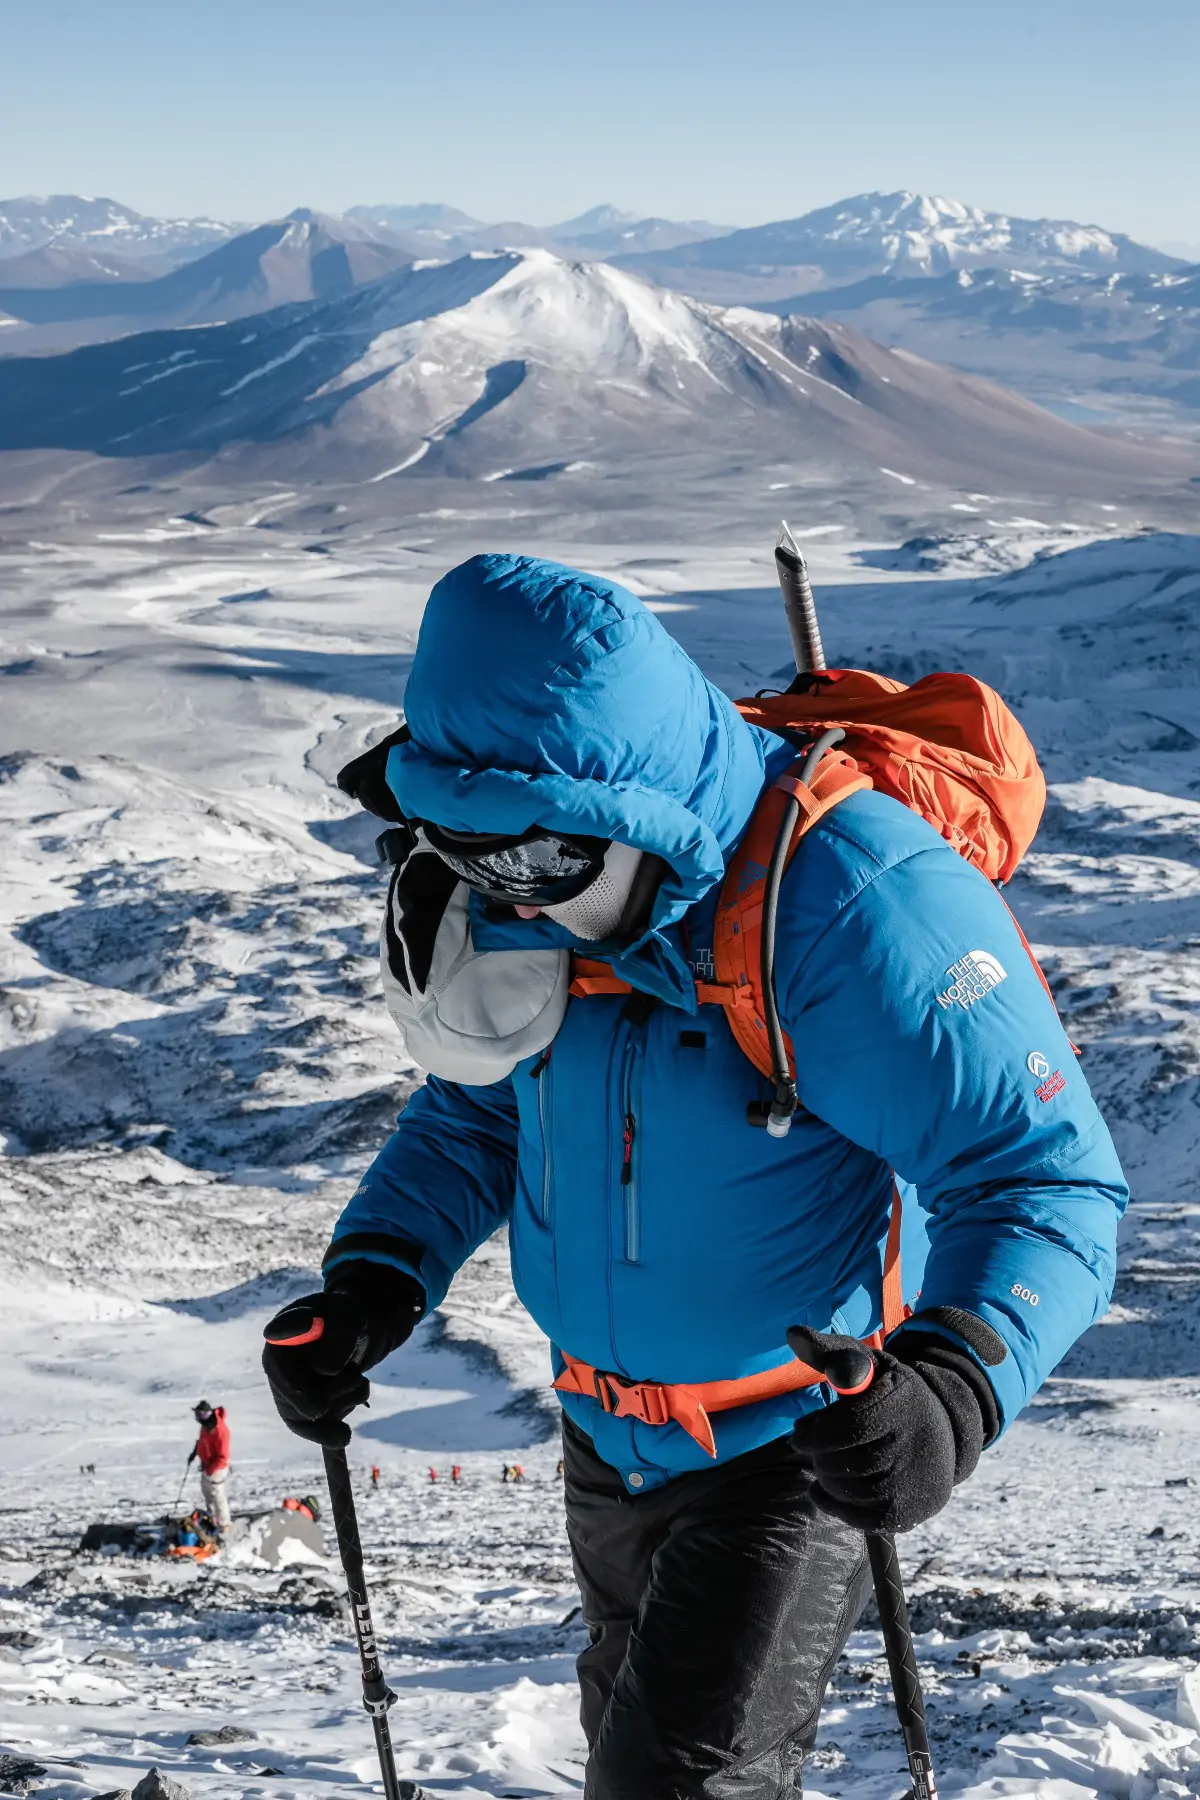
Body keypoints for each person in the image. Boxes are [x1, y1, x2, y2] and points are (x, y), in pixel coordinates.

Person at [263, 554, 1127, 1799]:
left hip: (795, 1447)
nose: (513, 903)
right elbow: (480, 1114)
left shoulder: (852, 904)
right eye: (474, 857)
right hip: (603, 1443)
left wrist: (950, 1391)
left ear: (630, 813)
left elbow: (1043, 1181)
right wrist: (372, 1285)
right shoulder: (531, 863)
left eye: (540, 868)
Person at [189, 1399, 231, 1535]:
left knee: (217, 1496)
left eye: (200, 1415)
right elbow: (201, 1441)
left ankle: (225, 1525)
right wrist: (195, 1452)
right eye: (197, 1414)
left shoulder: (219, 1431)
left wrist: (211, 1469)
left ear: (208, 1414)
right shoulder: (206, 1426)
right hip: (207, 1466)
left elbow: (222, 1457)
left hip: (217, 1469)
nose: (198, 1418)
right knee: (208, 1495)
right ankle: (213, 1521)